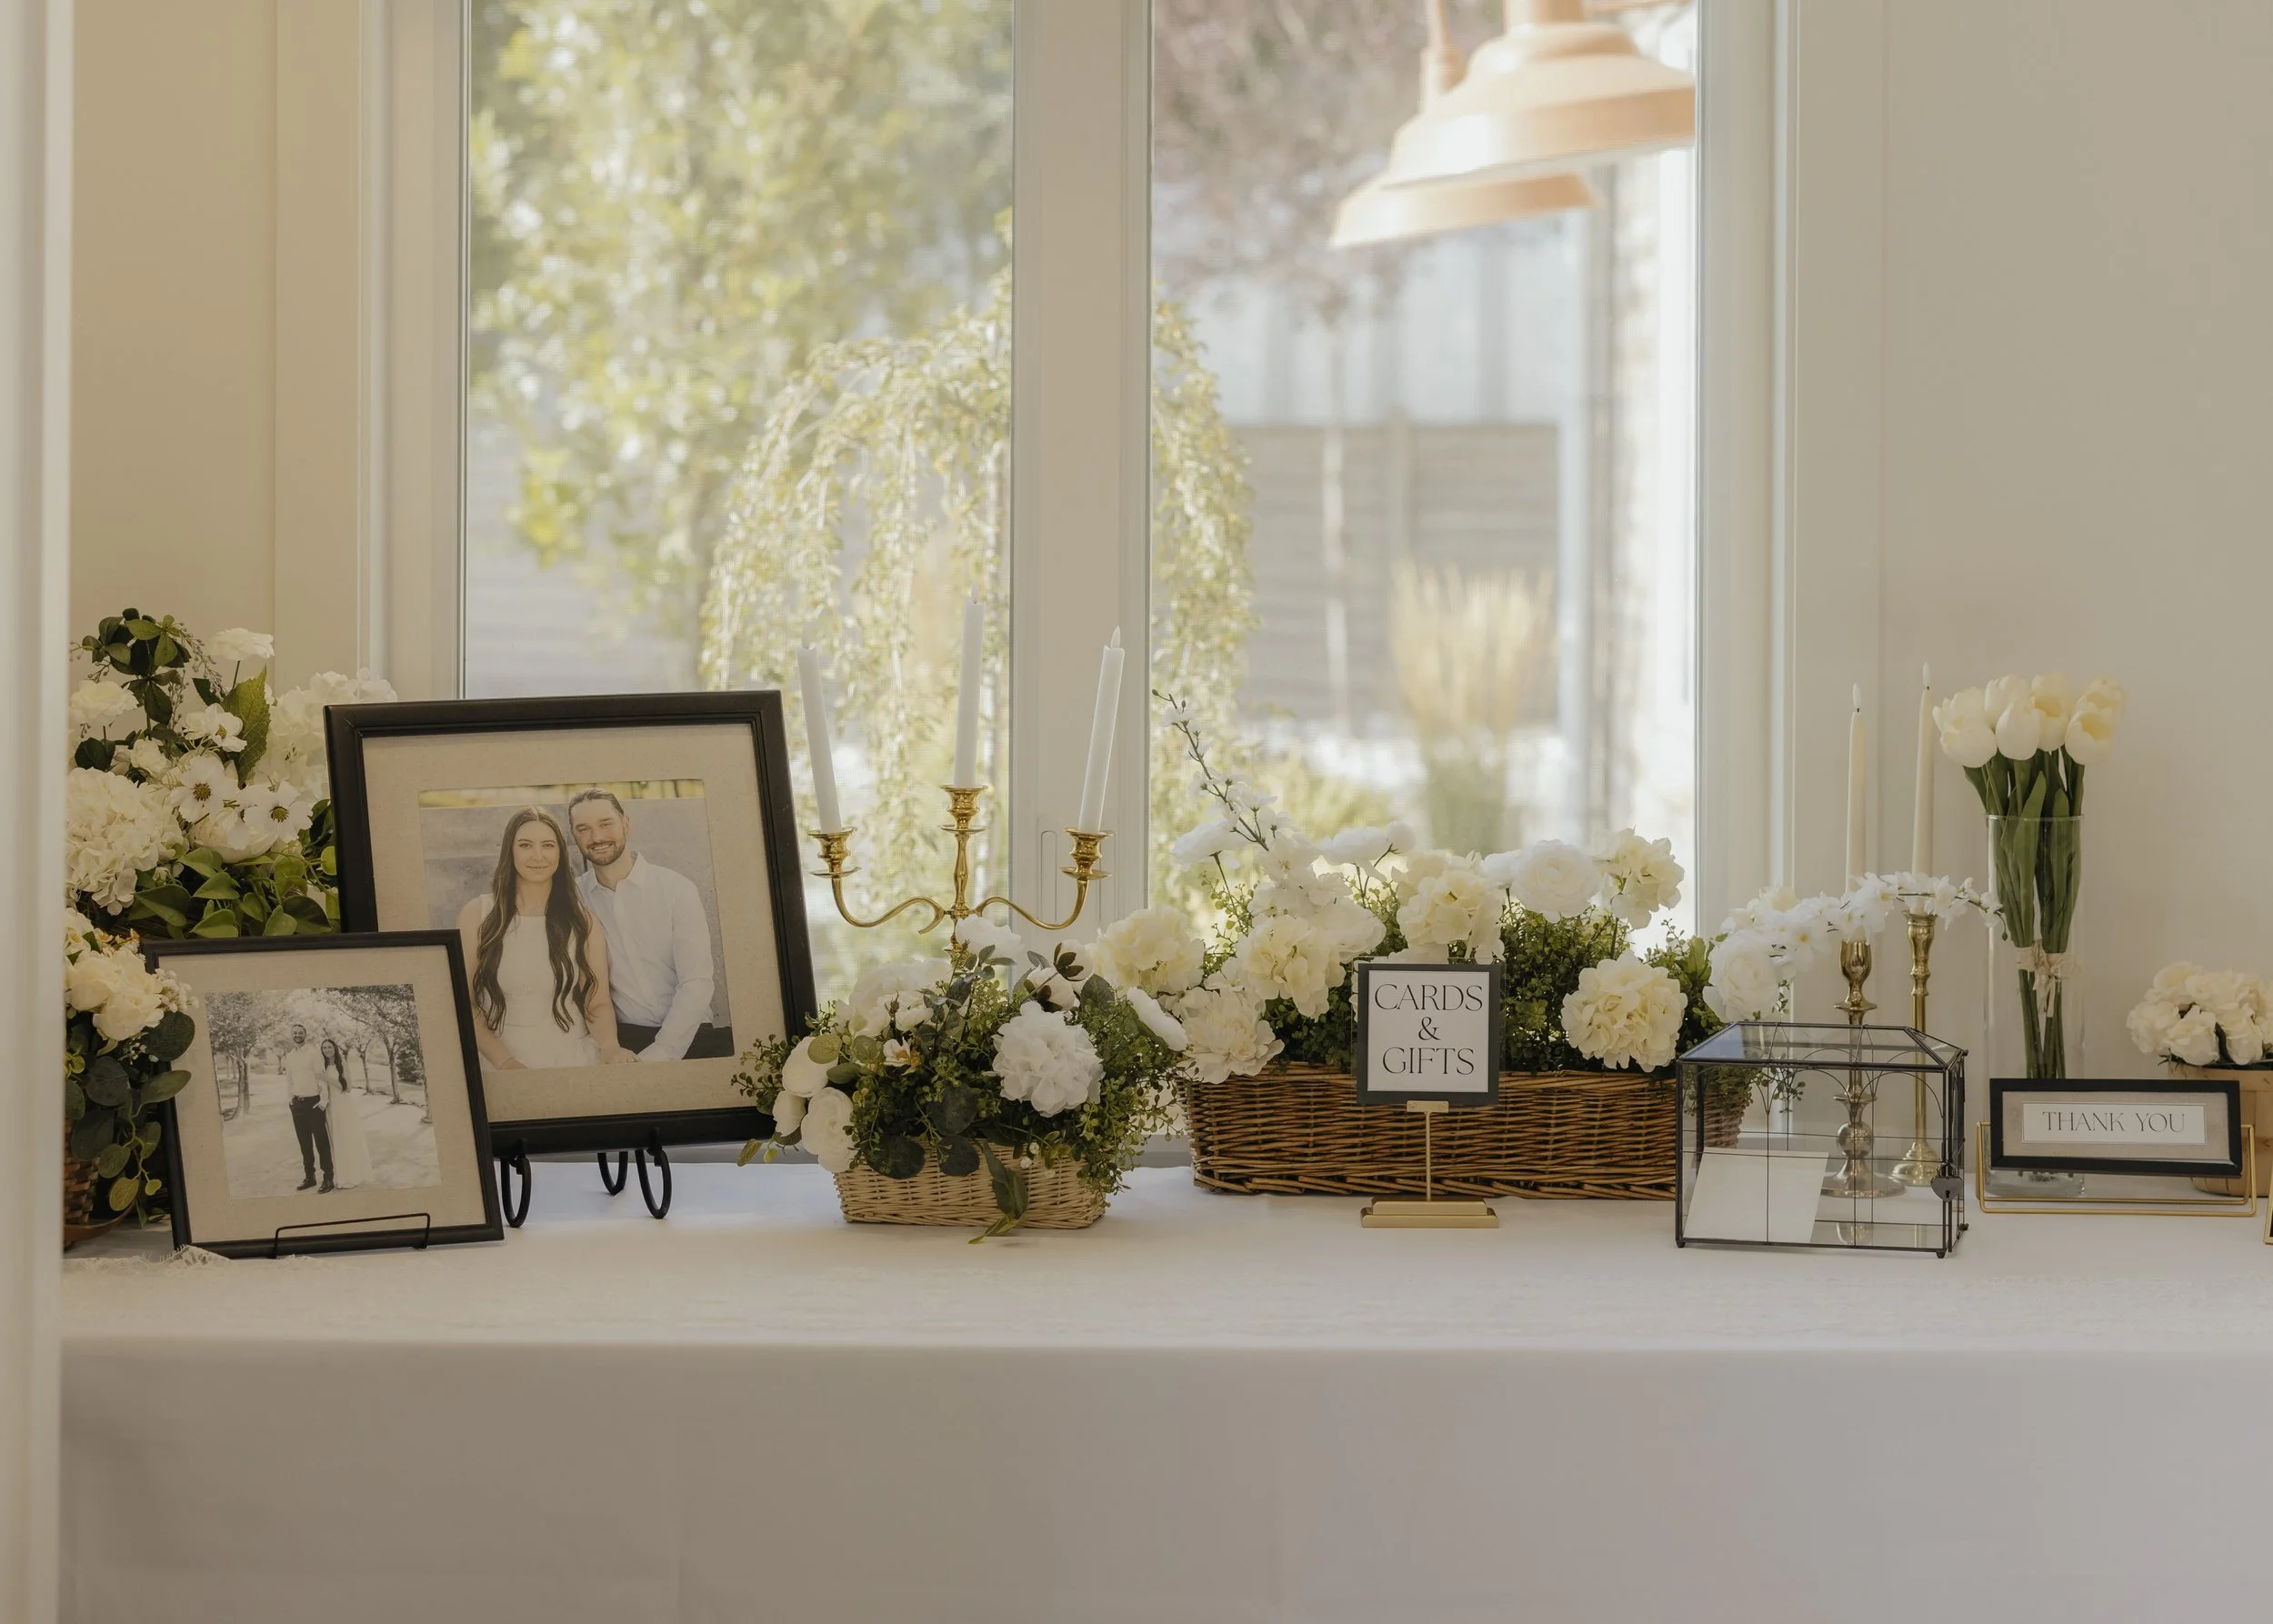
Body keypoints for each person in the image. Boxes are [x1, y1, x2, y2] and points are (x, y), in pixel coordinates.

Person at [456, 806, 634, 1071]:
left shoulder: (583, 921)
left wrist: (609, 1046)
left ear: (560, 853)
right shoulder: (477, 915)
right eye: (526, 845)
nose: (538, 856)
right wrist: (505, 1062)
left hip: (574, 1059)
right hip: (499, 1064)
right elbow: (463, 1002)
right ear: (510, 851)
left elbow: (596, 1001)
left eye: (548, 845)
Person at [567, 788, 732, 1061]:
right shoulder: (574, 897)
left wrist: (662, 1052)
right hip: (623, 1040)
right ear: (574, 836)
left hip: (691, 1034)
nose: (596, 837)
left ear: (626, 824)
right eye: (583, 829)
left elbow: (697, 981)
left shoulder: (676, 889)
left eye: (605, 824)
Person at [281, 1022, 334, 1192]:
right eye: (295, 1032)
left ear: (305, 1034)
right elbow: (289, 1079)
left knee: (321, 1143)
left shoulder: (314, 1053)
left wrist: (323, 1101)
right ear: (292, 1035)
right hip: (297, 1105)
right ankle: (310, 1177)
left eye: (300, 1032)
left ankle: (328, 1179)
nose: (297, 1035)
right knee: (305, 1144)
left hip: (314, 1104)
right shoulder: (289, 1056)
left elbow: (321, 1077)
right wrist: (290, 1099)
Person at [319, 1038, 375, 1190]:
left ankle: (351, 1176)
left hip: (343, 1105)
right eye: (324, 1048)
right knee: (335, 1141)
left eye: (329, 1047)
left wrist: (328, 1079)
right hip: (330, 1107)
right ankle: (340, 1176)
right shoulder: (321, 1066)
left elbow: (348, 1087)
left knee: (346, 1138)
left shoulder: (341, 1064)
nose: (327, 1050)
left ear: (334, 1049)